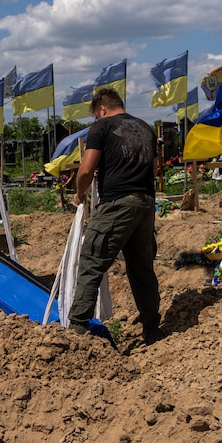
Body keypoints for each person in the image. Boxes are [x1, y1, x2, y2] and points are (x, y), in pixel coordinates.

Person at [68, 88, 164, 345]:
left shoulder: (101, 128)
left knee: (92, 262)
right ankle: (152, 328)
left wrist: (79, 195)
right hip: (145, 205)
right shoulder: (145, 127)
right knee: (142, 268)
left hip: (116, 205)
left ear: (101, 109)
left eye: (96, 115)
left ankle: (77, 330)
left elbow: (86, 171)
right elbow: (153, 168)